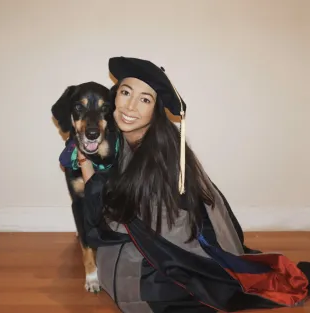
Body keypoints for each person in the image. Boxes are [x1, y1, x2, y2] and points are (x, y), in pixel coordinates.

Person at [76, 56, 310, 313]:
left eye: (145, 99)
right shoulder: (125, 141)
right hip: (144, 240)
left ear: (156, 110)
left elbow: (121, 223)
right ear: (114, 96)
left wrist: (90, 173)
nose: (130, 107)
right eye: (125, 92)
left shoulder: (159, 156)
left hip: (165, 258)